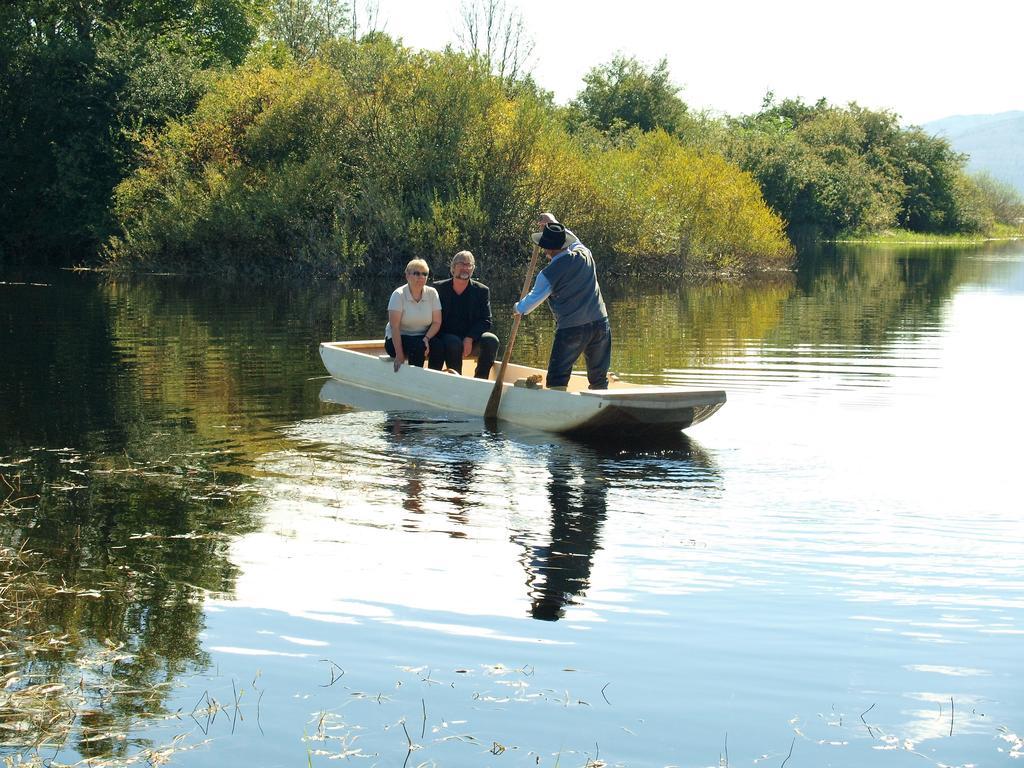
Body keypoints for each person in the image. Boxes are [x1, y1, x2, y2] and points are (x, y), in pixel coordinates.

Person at [514, 222, 611, 390]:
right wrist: (552, 221)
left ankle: (558, 410)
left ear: (547, 249)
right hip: (601, 324)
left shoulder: (548, 274)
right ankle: (601, 399)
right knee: (599, 378)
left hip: (572, 329)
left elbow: (527, 306)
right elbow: (575, 240)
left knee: (557, 377)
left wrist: (516, 308)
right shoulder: (584, 253)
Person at [428, 250, 500, 378]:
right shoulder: (438, 288)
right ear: (453, 267)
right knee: (454, 343)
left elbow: (486, 320)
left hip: (471, 337)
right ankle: (457, 380)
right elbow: (430, 317)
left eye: (469, 265)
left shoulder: (482, 291)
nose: (465, 268)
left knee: (491, 340)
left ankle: (480, 381)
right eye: (462, 264)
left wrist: (470, 337)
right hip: (445, 335)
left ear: (473, 269)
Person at [384, 258, 441, 373]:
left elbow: (437, 322)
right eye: (417, 273)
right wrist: (399, 356)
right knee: (418, 347)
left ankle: (434, 379)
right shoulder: (398, 295)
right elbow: (394, 327)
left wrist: (426, 338)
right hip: (397, 339)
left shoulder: (432, 293)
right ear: (407, 275)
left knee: (439, 346)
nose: (421, 277)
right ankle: (415, 379)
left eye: (424, 274)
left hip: (423, 337)